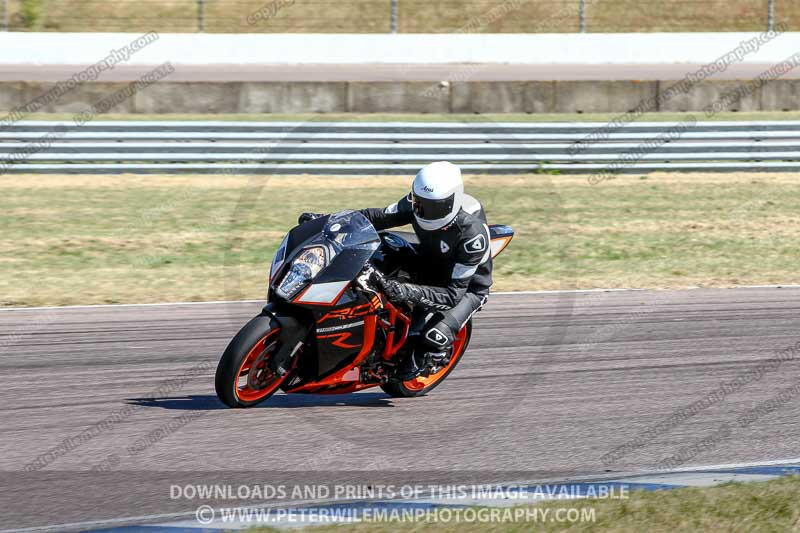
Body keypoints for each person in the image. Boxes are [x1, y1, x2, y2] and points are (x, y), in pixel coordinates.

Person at [301, 161, 492, 377]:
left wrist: (403, 290)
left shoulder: (471, 237)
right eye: (421, 204)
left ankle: (426, 360)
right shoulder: (415, 204)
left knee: (432, 337)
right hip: (429, 259)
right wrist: (328, 222)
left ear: (453, 202)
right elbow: (376, 217)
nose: (425, 212)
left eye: (434, 207)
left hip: (465, 289)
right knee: (375, 257)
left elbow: (452, 295)